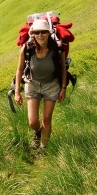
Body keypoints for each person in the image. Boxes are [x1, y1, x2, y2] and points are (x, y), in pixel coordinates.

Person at [14, 18, 67, 150]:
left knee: (46, 119)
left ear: (49, 33)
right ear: (32, 34)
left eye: (43, 32)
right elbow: (19, 69)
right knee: (32, 121)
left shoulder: (58, 48)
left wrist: (64, 88)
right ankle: (38, 132)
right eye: (37, 32)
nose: (40, 35)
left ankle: (43, 148)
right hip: (32, 84)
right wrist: (17, 91)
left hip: (52, 85)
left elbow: (63, 69)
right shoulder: (26, 49)